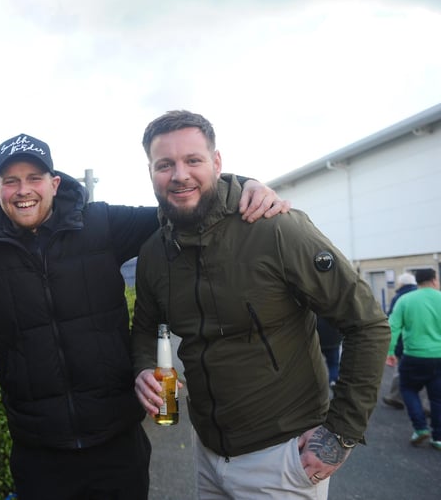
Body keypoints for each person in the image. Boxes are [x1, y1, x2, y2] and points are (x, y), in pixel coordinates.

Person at [0, 133, 289, 500]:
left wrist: (244, 185)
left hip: (117, 445)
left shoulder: (100, 224)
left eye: (34, 178)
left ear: (54, 183)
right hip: (38, 452)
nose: (24, 190)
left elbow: (181, 203)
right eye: (12, 181)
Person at [130, 110, 390, 499]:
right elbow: (145, 328)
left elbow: (367, 324)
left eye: (193, 160)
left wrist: (341, 433)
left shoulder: (276, 227)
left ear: (217, 163)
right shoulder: (155, 252)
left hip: (283, 458)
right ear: (150, 171)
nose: (179, 174)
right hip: (206, 453)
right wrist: (143, 368)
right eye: (164, 164)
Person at [385, 268, 441, 450]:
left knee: (408, 389)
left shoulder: (405, 300)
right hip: (439, 356)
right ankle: (438, 437)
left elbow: (392, 327)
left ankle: (420, 428)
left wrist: (391, 351)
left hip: (413, 356)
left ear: (418, 282)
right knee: (437, 398)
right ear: (434, 280)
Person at [382, 272, 419, 409]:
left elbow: (393, 324)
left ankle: (395, 397)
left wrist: (391, 348)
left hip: (404, 342)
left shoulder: (398, 298)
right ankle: (427, 404)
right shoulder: (425, 295)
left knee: (401, 370)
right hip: (430, 345)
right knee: (431, 374)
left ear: (401, 284)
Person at [317, 316, 342, 386]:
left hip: (319, 340)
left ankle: (318, 384)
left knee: (316, 364)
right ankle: (332, 381)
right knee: (333, 364)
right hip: (334, 340)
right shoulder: (336, 310)